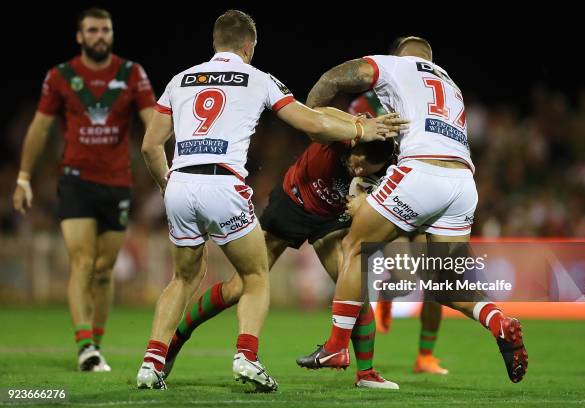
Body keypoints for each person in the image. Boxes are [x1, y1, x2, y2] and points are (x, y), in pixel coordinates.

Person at [135, 10, 403, 392]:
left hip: (182, 182)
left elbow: (149, 145)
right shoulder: (258, 78)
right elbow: (313, 122)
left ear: (215, 43)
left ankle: (152, 362)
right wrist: (363, 126)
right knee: (253, 278)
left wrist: (166, 184)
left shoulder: (181, 79)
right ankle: (244, 355)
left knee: (184, 277)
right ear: (250, 46)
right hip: (254, 192)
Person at [298, 36, 528, 384]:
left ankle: (335, 345)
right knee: (444, 282)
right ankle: (498, 321)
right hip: (463, 184)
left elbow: (336, 77)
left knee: (355, 245)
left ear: (397, 54)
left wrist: (312, 111)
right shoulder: (451, 86)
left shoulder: (394, 66)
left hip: (420, 172)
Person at [163, 132, 400, 389]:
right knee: (237, 288)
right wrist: (357, 125)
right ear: (355, 145)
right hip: (292, 205)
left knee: (355, 294)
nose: (360, 170)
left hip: (331, 218)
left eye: (367, 169)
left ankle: (365, 374)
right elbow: (317, 106)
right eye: (359, 162)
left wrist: (369, 201)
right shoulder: (340, 133)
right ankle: (178, 337)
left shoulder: (392, 164)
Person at [12, 8, 156, 372]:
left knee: (105, 270)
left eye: (105, 30)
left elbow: (153, 121)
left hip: (117, 183)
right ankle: (85, 346)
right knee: (82, 261)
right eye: (92, 30)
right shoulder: (60, 77)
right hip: (75, 181)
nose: (99, 36)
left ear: (112, 33)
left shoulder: (131, 74)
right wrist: (24, 177)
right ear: (79, 36)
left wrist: (170, 161)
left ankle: (95, 343)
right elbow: (40, 128)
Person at [350, 84, 448, 375]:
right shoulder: (362, 104)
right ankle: (388, 295)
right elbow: (353, 142)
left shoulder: (421, 101)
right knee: (405, 279)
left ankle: (425, 356)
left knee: (436, 283)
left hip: (420, 195)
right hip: (386, 197)